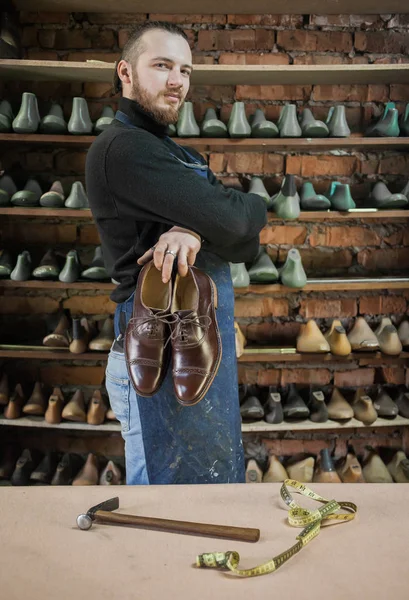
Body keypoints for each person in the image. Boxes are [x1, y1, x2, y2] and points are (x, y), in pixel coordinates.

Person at [85, 21, 267, 485]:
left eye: (185, 70)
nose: (177, 82)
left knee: (206, 503)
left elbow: (246, 231)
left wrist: (193, 227)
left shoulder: (170, 150)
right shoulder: (123, 149)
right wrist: (215, 218)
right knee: (162, 523)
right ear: (125, 72)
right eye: (162, 65)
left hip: (196, 343)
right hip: (157, 354)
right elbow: (235, 219)